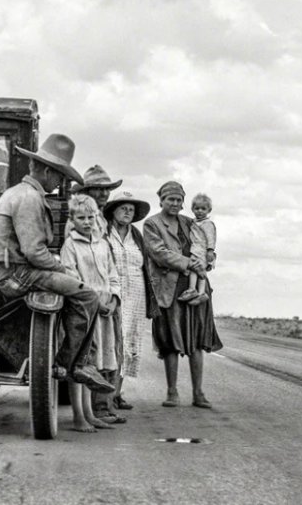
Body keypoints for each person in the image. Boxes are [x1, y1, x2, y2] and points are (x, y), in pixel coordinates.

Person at [0, 134, 114, 394]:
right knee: (87, 295)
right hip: (17, 274)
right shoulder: (30, 198)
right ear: (46, 171)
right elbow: (34, 252)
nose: (61, 182)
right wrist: (62, 269)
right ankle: (72, 364)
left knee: (74, 290)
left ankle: (75, 361)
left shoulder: (19, 193)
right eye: (59, 176)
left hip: (12, 271)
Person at [143, 181, 223, 409]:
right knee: (169, 341)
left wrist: (209, 258)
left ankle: (199, 393)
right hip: (169, 289)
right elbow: (158, 253)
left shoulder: (190, 222)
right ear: (161, 200)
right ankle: (172, 392)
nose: (175, 204)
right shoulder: (152, 224)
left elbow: (206, 241)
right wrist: (189, 263)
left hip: (196, 286)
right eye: (171, 199)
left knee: (198, 339)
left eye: (179, 200)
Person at [61, 194, 123, 429]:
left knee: (94, 364)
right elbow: (71, 277)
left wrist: (114, 299)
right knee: (80, 362)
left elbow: (113, 274)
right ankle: (78, 416)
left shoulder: (102, 244)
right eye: (81, 217)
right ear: (73, 219)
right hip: (83, 312)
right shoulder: (70, 245)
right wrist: (95, 302)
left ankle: (90, 413)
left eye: (91, 217)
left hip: (106, 311)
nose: (87, 222)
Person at [103, 188, 156, 411]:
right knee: (111, 342)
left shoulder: (136, 235)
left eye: (131, 210)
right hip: (112, 292)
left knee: (129, 342)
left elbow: (146, 264)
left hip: (136, 294)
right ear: (113, 211)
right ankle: (103, 395)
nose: (127, 212)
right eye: (123, 208)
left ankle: (116, 393)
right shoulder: (104, 232)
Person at [179, 193, 217, 305]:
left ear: (209, 210)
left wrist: (210, 250)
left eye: (203, 209)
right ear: (192, 209)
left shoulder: (207, 224)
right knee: (200, 271)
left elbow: (211, 238)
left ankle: (192, 289)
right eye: (197, 208)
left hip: (200, 250)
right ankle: (201, 293)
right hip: (196, 249)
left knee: (194, 268)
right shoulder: (195, 222)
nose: (200, 211)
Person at [70, 165, 123, 234]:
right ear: (87, 191)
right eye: (99, 189)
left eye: (107, 189)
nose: (104, 194)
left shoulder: (100, 215)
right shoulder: (82, 216)